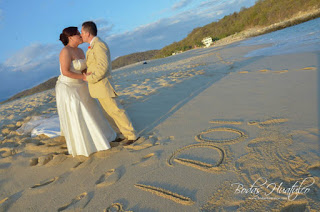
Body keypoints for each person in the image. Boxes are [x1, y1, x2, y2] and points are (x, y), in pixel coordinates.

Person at [56, 26, 117, 157]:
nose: (80, 35)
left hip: (81, 84)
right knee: (79, 110)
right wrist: (84, 77)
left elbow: (83, 68)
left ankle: (102, 136)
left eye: (80, 33)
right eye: (78, 33)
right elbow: (66, 72)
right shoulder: (65, 51)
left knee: (92, 108)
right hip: (69, 86)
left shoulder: (81, 50)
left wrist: (87, 74)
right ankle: (84, 143)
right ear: (70, 37)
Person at [81, 21, 139, 146]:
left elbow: (103, 67)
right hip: (97, 87)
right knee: (108, 113)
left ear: (87, 33)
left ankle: (131, 135)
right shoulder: (92, 46)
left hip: (103, 85)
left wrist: (89, 79)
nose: (81, 35)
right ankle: (122, 134)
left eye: (82, 32)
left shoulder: (99, 45)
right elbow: (94, 65)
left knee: (116, 110)